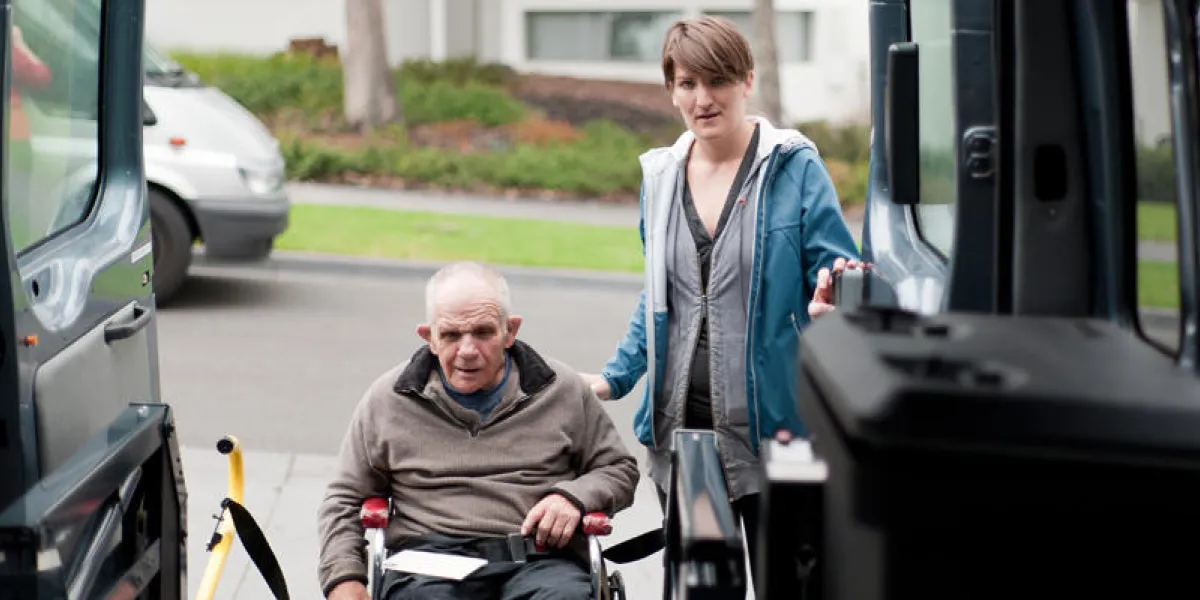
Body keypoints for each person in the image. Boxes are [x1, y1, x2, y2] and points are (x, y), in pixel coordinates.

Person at [578, 16, 863, 572]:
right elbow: (660, 296)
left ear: (747, 80)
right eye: (687, 84)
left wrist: (832, 299)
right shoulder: (660, 178)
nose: (703, 99)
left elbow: (836, 270)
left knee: (790, 584)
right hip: (683, 437)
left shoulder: (793, 166)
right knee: (700, 588)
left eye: (718, 81)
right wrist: (616, 375)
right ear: (672, 90)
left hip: (774, 435)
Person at [317, 261, 640, 600]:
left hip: (539, 557)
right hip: (426, 562)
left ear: (510, 331)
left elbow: (619, 469)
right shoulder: (389, 399)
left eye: (483, 333)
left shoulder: (561, 390)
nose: (467, 351)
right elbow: (343, 498)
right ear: (429, 338)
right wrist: (344, 580)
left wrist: (574, 498)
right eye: (451, 335)